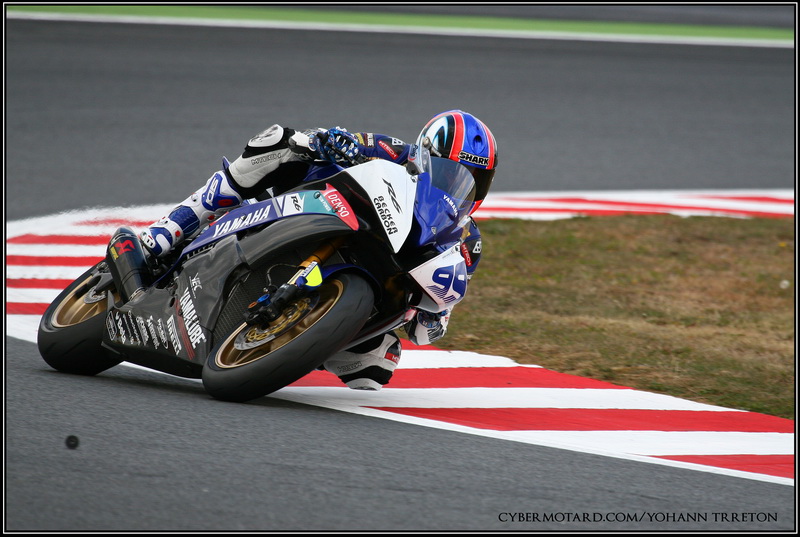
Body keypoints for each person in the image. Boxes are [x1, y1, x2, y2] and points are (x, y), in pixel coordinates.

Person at [139, 110, 498, 390]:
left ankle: (293, 336)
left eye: (470, 179)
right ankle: (176, 224)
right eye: (450, 171)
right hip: (313, 207)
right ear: (425, 153)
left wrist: (435, 313)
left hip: (366, 280)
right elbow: (321, 139)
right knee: (278, 141)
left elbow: (426, 329)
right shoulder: (392, 150)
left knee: (376, 368)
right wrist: (329, 142)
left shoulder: (465, 240)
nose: (456, 185)